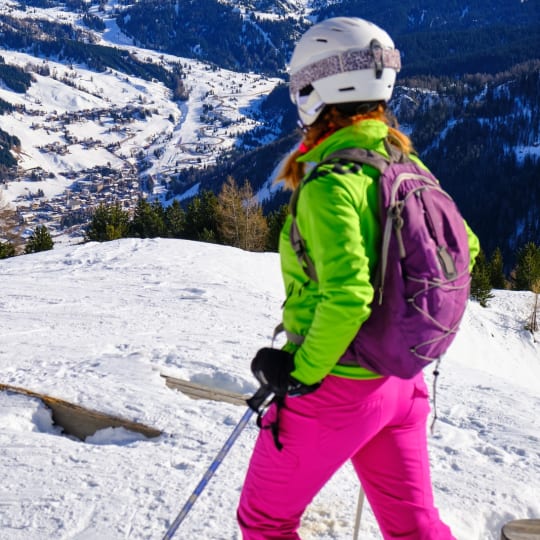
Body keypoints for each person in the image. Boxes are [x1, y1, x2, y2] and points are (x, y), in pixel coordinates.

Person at [237, 16, 480, 540]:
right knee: (414, 528)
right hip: (401, 383)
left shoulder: (330, 184)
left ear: (315, 90)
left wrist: (300, 371)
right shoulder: (402, 162)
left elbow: (347, 297)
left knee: (265, 521)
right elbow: (467, 248)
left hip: (339, 389)